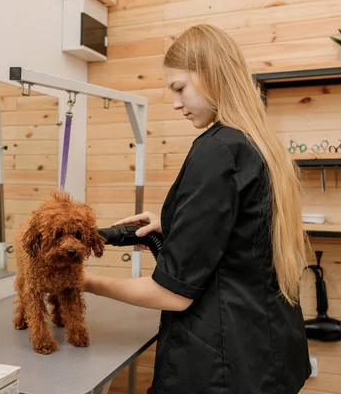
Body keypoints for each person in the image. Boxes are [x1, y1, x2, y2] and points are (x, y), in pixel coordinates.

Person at [83, 24, 312, 393]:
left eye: (179, 88)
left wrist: (85, 282)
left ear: (210, 74)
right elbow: (241, 239)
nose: (175, 104)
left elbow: (171, 293)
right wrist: (172, 225)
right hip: (267, 354)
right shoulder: (259, 146)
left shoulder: (216, 150)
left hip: (220, 367)